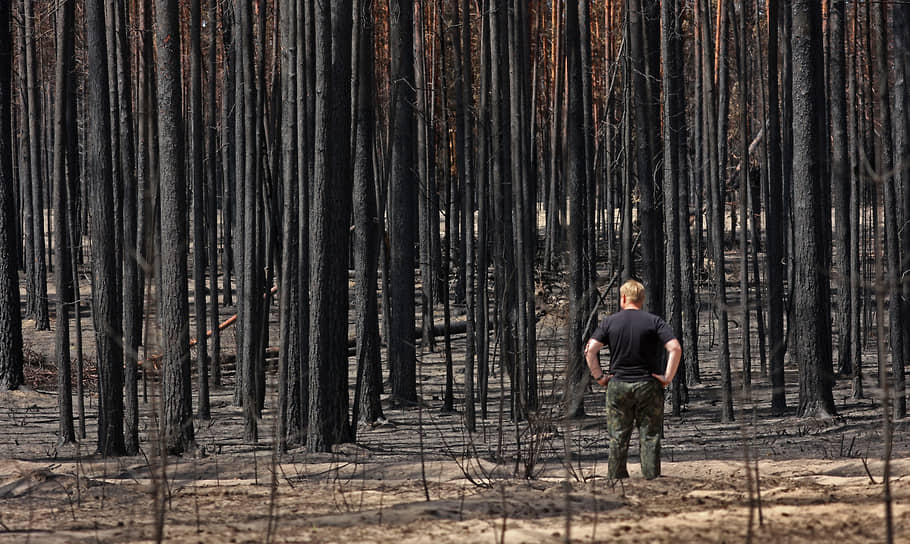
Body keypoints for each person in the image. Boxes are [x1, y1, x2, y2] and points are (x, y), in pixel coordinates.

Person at [584, 279, 682, 479]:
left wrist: (600, 377)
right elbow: (675, 348)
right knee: (650, 435)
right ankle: (651, 477)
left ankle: (617, 477)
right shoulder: (654, 321)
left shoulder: (609, 322)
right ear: (642, 299)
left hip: (618, 385)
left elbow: (590, 350)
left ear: (623, 298)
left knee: (618, 435)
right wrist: (667, 377)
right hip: (648, 385)